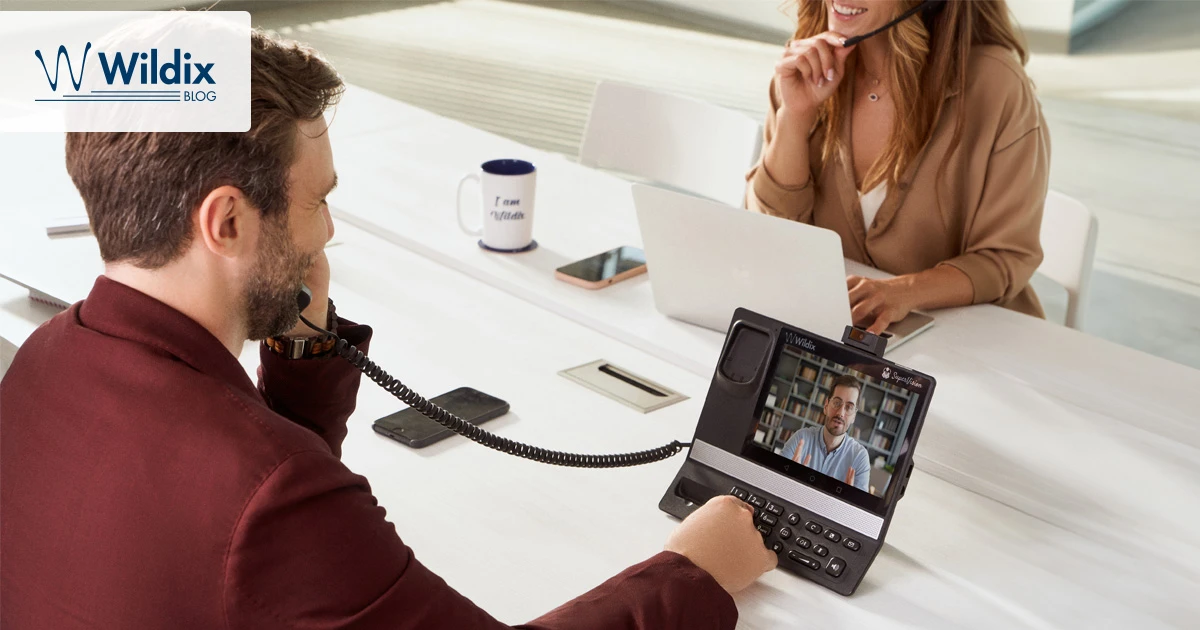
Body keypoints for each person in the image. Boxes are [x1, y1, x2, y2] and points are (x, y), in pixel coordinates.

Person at [0, 28, 776, 629]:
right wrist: (694, 571)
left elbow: (267, 571)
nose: (326, 233)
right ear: (227, 221)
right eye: (316, 201)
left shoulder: (39, 364)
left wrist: (304, 346)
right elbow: (262, 511)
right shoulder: (273, 493)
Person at [746, 0, 1050, 334]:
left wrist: (903, 292)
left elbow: (1005, 257)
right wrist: (795, 115)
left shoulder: (997, 85)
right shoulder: (807, 65)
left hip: (973, 341)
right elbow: (772, 233)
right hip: (837, 337)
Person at [781, 375, 871, 492]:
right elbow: (775, 481)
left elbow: (858, 503)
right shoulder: (801, 438)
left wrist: (846, 498)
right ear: (826, 406)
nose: (840, 413)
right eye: (837, 403)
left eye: (849, 407)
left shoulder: (860, 457)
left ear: (854, 416)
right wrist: (789, 479)